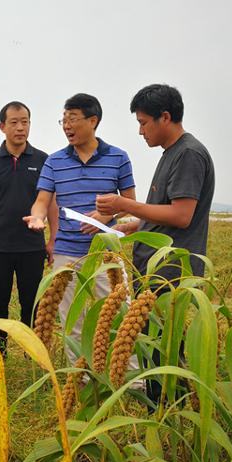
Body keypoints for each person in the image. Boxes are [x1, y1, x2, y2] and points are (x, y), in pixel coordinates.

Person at [25, 93, 136, 362]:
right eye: (63, 120)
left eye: (73, 119)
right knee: (70, 318)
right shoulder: (55, 161)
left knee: (119, 312)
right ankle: (80, 378)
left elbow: (130, 203)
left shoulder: (118, 158)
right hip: (66, 252)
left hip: (105, 253)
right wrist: (37, 218)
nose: (67, 126)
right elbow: (41, 202)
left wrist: (104, 215)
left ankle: (131, 376)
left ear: (93, 120)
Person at [96, 84, 214, 281]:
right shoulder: (172, 152)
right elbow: (165, 211)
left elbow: (181, 215)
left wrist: (123, 204)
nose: (140, 131)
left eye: (143, 123)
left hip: (170, 275)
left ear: (165, 117)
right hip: (155, 271)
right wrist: (133, 227)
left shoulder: (188, 154)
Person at [0, 101, 57, 354]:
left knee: (32, 303)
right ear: (2, 126)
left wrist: (52, 239)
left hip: (31, 245)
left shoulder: (43, 160)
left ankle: (31, 354)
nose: (20, 128)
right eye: (14, 122)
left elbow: (51, 203)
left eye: (25, 122)